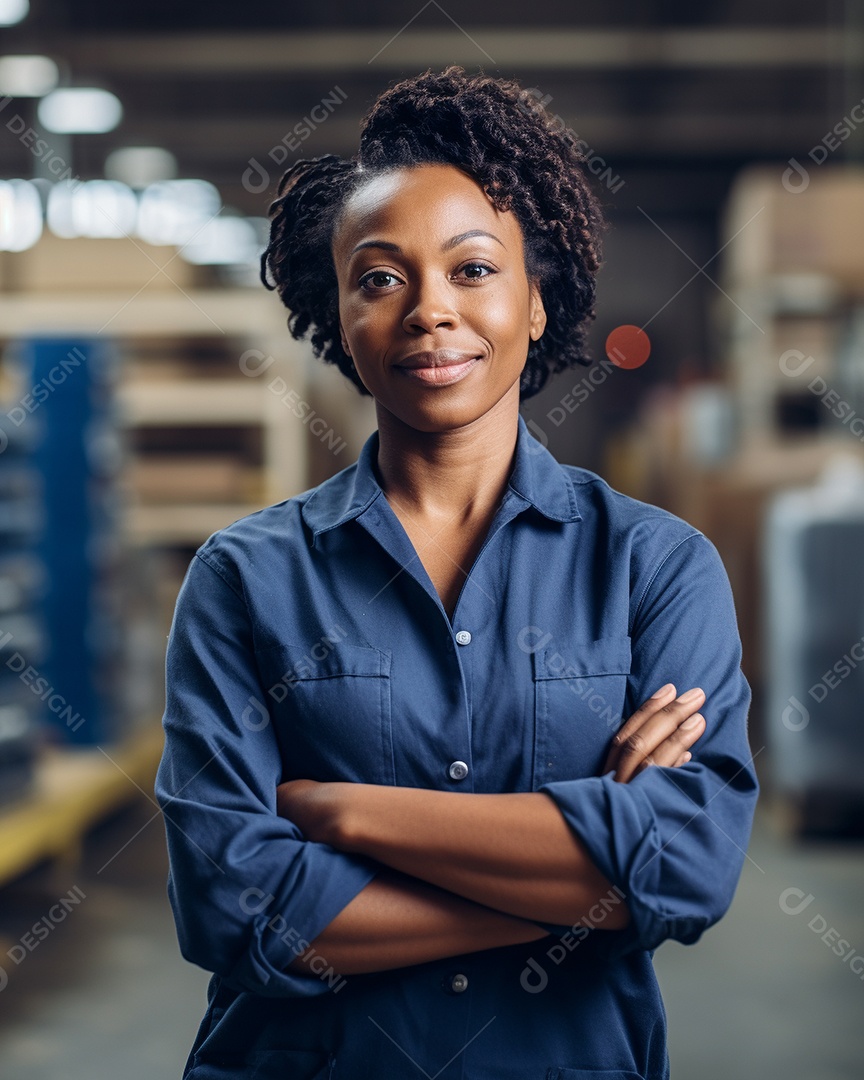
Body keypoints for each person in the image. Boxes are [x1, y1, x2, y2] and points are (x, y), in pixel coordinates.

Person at [155, 66, 759, 1080]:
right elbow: (235, 907)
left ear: (536, 300)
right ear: (338, 318)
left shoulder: (655, 567)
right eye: (381, 278)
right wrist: (592, 894)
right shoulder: (245, 579)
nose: (430, 309)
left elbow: (691, 869)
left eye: (473, 269)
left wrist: (347, 814)